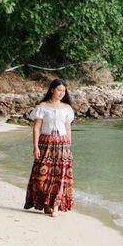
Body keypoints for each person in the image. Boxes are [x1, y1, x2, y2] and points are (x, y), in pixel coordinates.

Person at [23, 78, 75, 217]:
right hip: (45, 143)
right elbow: (36, 128)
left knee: (60, 176)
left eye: (64, 91)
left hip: (62, 144)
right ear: (52, 90)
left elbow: (68, 128)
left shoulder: (67, 108)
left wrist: (69, 148)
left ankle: (56, 206)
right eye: (59, 90)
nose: (61, 93)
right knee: (42, 175)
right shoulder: (43, 106)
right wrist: (35, 147)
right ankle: (46, 204)